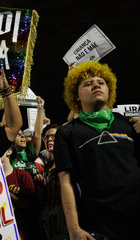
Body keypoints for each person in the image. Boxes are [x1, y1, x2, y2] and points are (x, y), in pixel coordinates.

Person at [54, 61, 140, 240]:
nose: (95, 85)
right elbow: (66, 183)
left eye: (101, 82)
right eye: (87, 84)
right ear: (76, 96)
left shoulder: (130, 124)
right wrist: (74, 229)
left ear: (109, 90)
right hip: (99, 228)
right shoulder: (66, 132)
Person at [39, 124, 69, 240]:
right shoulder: (47, 167)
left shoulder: (69, 162)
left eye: (53, 136)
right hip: (51, 221)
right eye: (46, 137)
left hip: (67, 220)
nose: (49, 139)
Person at [1, 148, 36, 240]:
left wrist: (7, 193)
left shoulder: (23, 175)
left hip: (22, 229)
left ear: (9, 151)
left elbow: (31, 206)